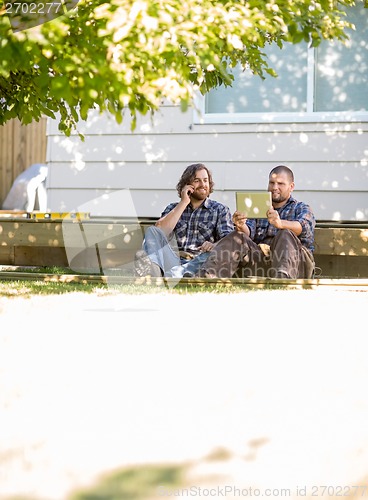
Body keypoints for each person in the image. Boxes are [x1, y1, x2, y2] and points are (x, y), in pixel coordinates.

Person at [196, 165, 316, 279]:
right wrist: (241, 225)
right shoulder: (259, 207)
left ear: (291, 186)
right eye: (271, 183)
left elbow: (302, 227)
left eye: (280, 184)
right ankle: (208, 277)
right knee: (237, 236)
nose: (274, 187)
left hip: (296, 265)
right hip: (263, 263)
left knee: (285, 234)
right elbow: (248, 233)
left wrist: (280, 224)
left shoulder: (301, 208)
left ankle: (283, 280)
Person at [134, 163, 234, 278]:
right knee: (152, 230)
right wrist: (183, 202)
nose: (203, 185)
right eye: (197, 180)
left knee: (212, 255)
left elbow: (229, 241)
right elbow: (159, 231)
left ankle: (170, 275)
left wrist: (213, 245)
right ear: (187, 185)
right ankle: (161, 274)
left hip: (200, 261)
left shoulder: (220, 210)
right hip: (173, 260)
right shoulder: (173, 208)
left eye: (205, 180)